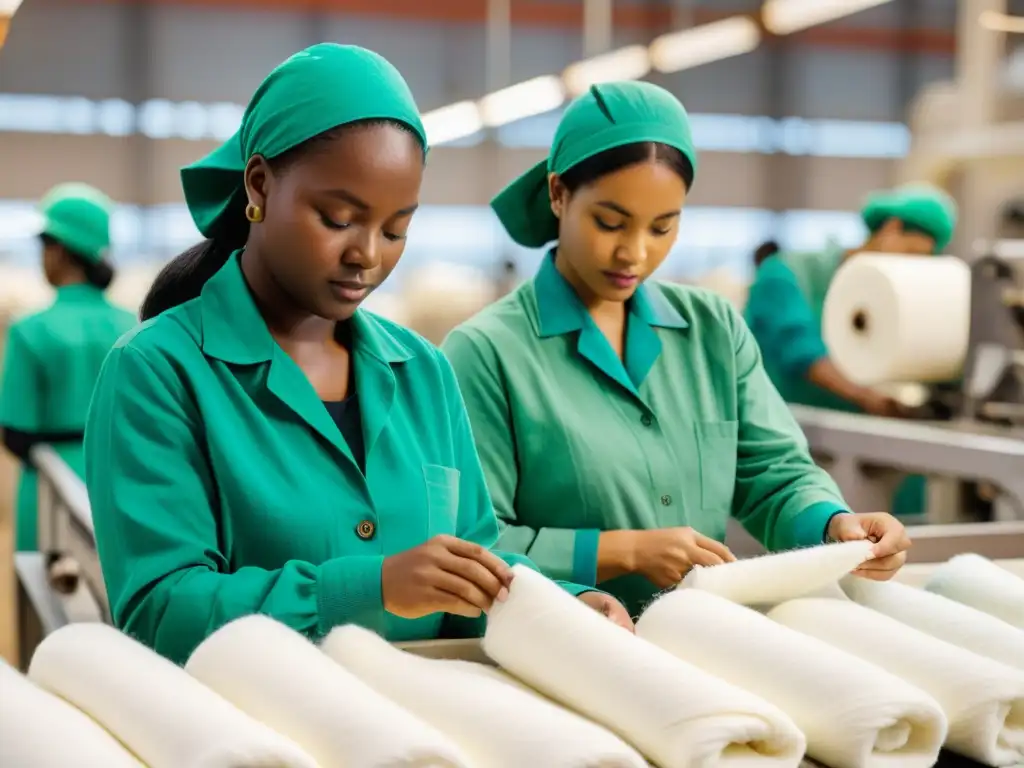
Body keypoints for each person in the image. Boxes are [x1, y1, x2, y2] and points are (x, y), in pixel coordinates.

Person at [83, 44, 629, 666]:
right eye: (339, 218)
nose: (368, 254)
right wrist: (368, 588)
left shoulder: (423, 372)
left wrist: (557, 602)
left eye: (396, 229)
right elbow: (161, 613)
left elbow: (471, 562)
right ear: (259, 184)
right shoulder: (158, 372)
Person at [441, 82, 912, 617]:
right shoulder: (485, 354)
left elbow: (774, 473)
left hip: (698, 634)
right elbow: (474, 546)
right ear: (558, 193)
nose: (634, 253)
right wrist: (622, 551)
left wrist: (831, 523)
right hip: (561, 644)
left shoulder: (712, 330)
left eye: (663, 227)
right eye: (610, 223)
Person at [745, 184, 958, 517]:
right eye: (912, 252)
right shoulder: (788, 273)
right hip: (789, 441)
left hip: (864, 443)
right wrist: (870, 398)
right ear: (890, 229)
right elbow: (800, 352)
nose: (914, 265)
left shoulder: (897, 291)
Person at [0, 183, 136, 552]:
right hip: (120, 487)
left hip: (49, 488)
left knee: (43, 602)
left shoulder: (31, 331)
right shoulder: (135, 327)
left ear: (59, 250)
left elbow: (15, 433)